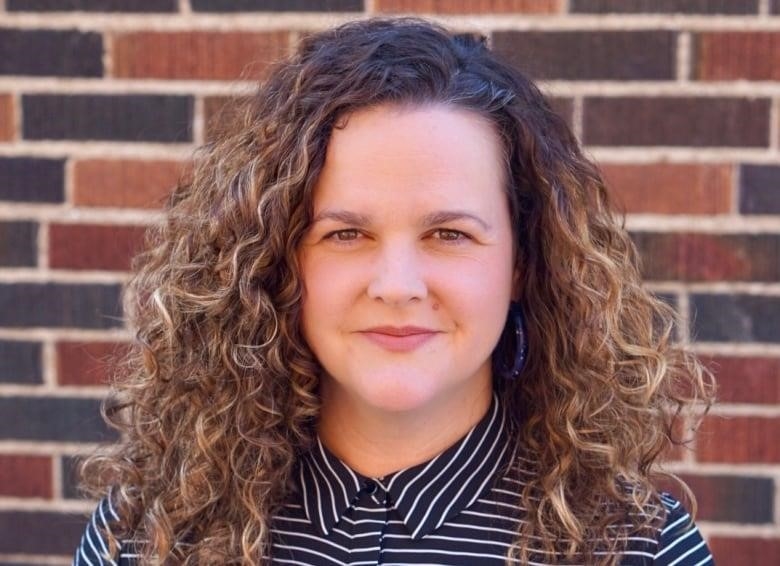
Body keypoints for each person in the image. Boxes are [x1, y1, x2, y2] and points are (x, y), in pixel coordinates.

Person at [72, 17, 715, 566]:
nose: (398, 286)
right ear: (275, 259)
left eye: (449, 234)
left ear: (524, 261)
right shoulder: (147, 534)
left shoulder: (635, 547)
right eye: (346, 233)